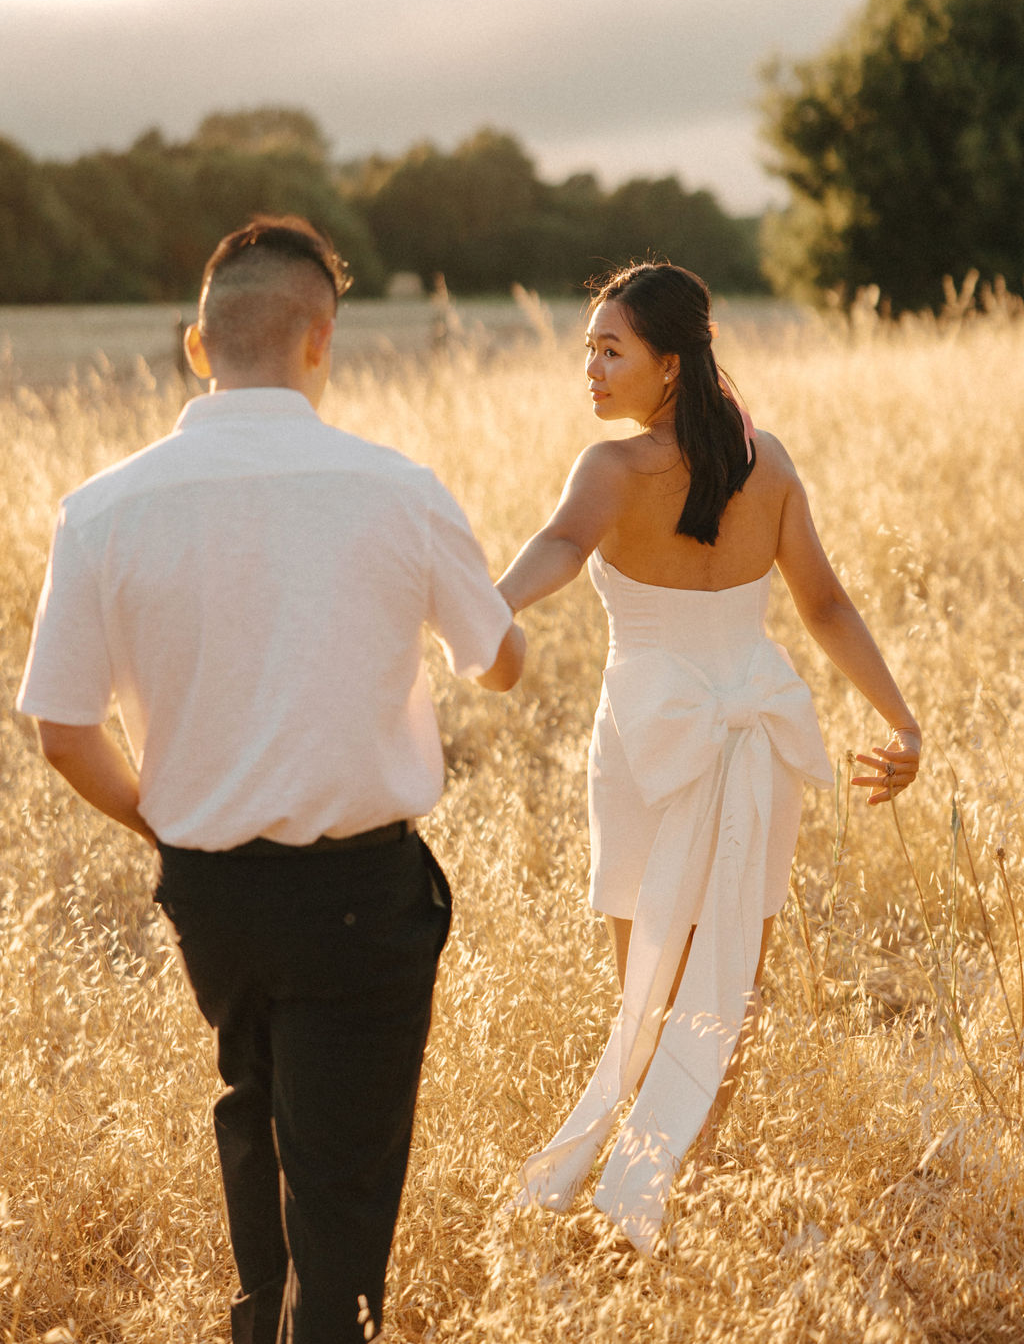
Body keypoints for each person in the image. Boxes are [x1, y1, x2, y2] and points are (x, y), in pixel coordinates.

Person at [16, 216, 525, 1343]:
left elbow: (60, 728)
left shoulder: (103, 507)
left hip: (209, 888)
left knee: (256, 1115)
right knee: (339, 1192)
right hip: (359, 894)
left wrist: (171, 825)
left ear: (200, 344)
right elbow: (495, 660)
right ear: (321, 340)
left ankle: (264, 1320)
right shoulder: (394, 487)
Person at [497, 261, 920, 1254]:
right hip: (750, 735)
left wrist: (488, 601)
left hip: (658, 740)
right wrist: (898, 721)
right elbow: (823, 606)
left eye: (611, 348)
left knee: (655, 985)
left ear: (670, 363)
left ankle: (646, 1210)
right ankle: (665, 1197)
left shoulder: (609, 472)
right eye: (588, 348)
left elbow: (561, 543)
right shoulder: (761, 459)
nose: (590, 368)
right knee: (719, 986)